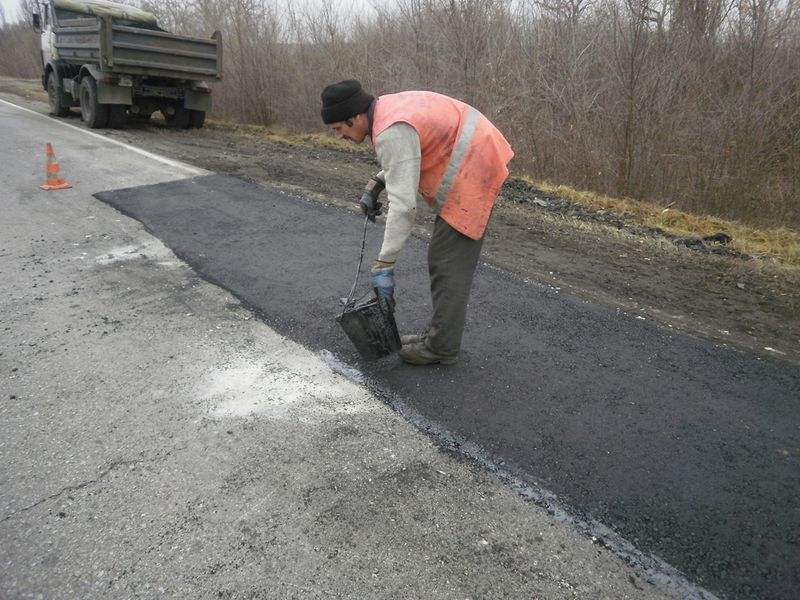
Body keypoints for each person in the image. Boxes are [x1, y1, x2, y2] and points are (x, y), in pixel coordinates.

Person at [321, 80, 514, 366]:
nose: (338, 137)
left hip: (475, 161)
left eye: (339, 129)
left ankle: (441, 347)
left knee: (447, 262)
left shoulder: (389, 129)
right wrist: (377, 183)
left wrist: (384, 266)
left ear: (356, 117)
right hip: (474, 150)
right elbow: (409, 154)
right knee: (443, 258)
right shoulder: (386, 111)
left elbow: (403, 207)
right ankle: (436, 337)